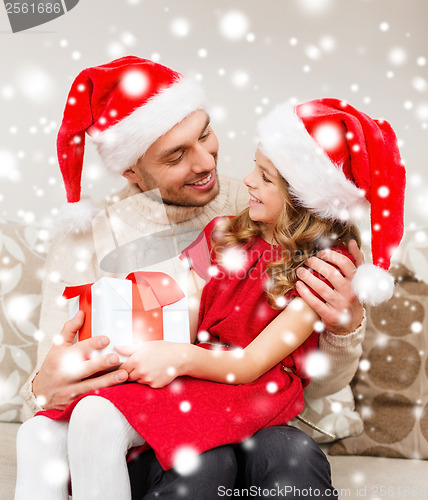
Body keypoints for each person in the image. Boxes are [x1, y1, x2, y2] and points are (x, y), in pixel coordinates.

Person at [16, 57, 374, 499]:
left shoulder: (298, 228)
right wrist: (50, 385)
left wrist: (344, 324)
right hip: (177, 399)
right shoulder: (106, 236)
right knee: (200, 463)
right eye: (176, 155)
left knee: (291, 458)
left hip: (261, 407)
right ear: (132, 169)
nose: (207, 162)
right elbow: (184, 301)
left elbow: (314, 373)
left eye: (205, 133)